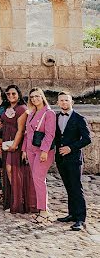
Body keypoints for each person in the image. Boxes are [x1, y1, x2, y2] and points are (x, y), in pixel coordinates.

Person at [54, 92, 91, 231]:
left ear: (72, 102)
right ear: (58, 103)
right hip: (61, 159)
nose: (64, 102)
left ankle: (81, 219)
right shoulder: (56, 117)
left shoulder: (80, 118)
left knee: (76, 187)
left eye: (66, 100)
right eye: (61, 100)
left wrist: (71, 148)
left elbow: (87, 139)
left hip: (74, 159)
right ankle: (72, 214)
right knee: (69, 187)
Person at [1, 84, 35, 214]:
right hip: (7, 141)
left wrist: (15, 145)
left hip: (17, 143)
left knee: (13, 170)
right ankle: (13, 199)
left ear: (19, 95)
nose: (10, 96)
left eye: (13, 94)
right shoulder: (8, 107)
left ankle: (19, 200)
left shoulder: (22, 109)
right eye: (8, 94)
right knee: (9, 170)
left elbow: (21, 130)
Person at [24, 88, 56, 220]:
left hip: (43, 150)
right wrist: (24, 150)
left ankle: (43, 209)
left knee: (38, 178)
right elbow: (27, 133)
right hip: (31, 150)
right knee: (35, 178)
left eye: (37, 96)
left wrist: (44, 151)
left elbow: (50, 134)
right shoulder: (31, 112)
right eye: (32, 97)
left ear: (42, 97)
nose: (34, 99)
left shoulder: (49, 113)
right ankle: (36, 205)